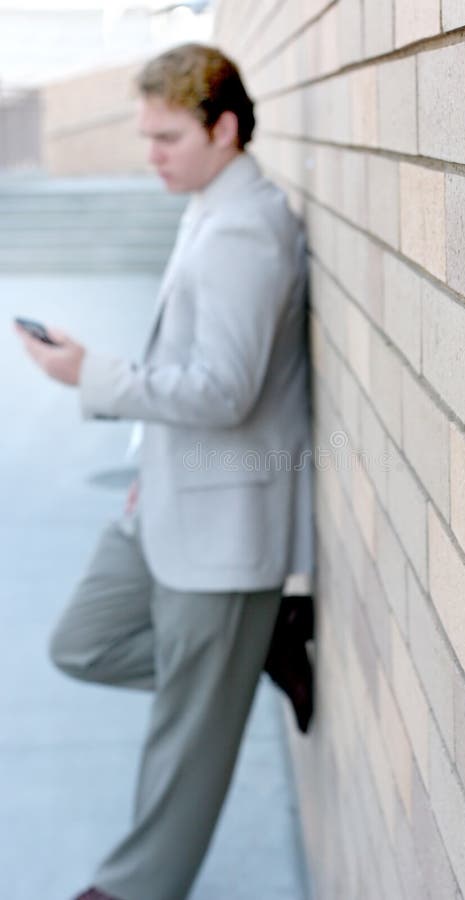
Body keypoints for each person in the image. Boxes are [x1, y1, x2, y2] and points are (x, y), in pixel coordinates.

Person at [15, 43, 314, 900]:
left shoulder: (245, 230)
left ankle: (131, 890)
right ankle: (256, 648)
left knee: (185, 739)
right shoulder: (206, 207)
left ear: (224, 129)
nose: (150, 155)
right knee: (83, 641)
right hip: (168, 498)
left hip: (223, 528)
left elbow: (225, 391)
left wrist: (90, 376)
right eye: (145, 136)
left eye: (167, 137)